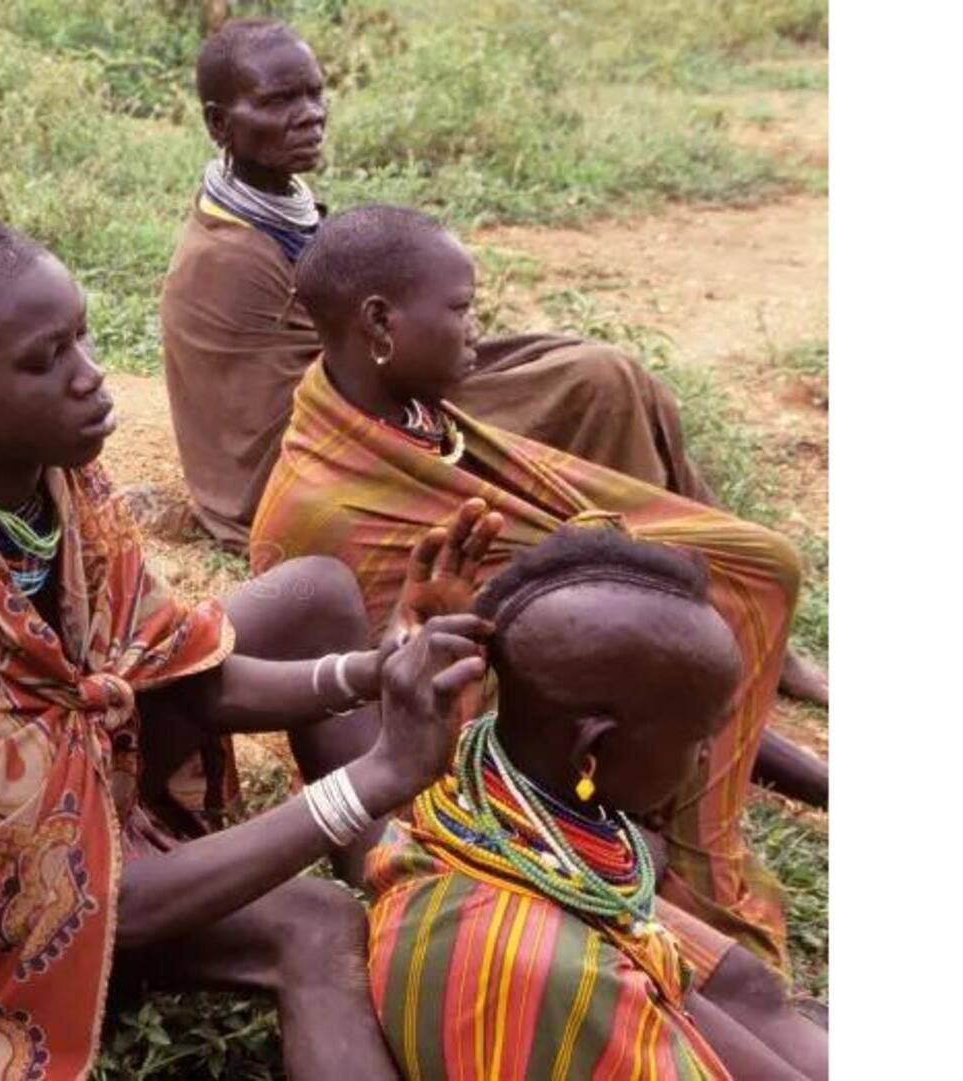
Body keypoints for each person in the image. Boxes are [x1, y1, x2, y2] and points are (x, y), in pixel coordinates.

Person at [0, 214, 496, 1081]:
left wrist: (373, 671)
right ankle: (388, 861)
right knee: (311, 922)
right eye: (44, 361)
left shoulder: (56, 472)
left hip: (70, 781)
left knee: (314, 593)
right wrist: (373, 777)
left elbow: (178, 673)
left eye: (80, 338)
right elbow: (82, 900)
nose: (90, 378)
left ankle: (402, 876)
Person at [157, 18, 827, 704]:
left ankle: (712, 592)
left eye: (314, 94)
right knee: (599, 384)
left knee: (609, 369)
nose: (308, 115)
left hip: (368, 389)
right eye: (277, 102)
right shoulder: (226, 260)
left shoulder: (274, 210)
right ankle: (691, 612)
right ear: (219, 122)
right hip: (319, 455)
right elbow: (275, 430)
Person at [249, 203, 826, 971]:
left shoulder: (420, 420)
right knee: (699, 936)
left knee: (741, 569)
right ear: (381, 324)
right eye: (461, 309)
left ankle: (675, 805)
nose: (476, 327)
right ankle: (683, 848)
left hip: (530, 715)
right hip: (438, 779)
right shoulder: (326, 509)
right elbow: (380, 720)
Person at [365, 528, 827, 1080]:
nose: (707, 756)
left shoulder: (476, 780)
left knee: (744, 984)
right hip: (556, 981)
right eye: (699, 736)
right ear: (593, 751)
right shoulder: (564, 980)